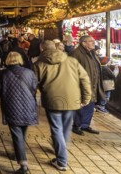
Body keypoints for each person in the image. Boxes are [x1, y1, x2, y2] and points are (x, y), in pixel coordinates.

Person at [35, 40, 91, 171]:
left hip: (52, 99)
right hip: (72, 98)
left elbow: (34, 82)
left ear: (41, 49)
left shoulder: (39, 63)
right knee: (65, 127)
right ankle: (60, 149)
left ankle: (61, 160)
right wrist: (86, 97)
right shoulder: (71, 61)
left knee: (56, 128)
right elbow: (85, 79)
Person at [0, 52, 38, 174]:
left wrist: (3, 94)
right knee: (22, 132)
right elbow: (34, 88)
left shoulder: (3, 74)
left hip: (11, 105)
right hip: (28, 106)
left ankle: (23, 165)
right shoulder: (29, 72)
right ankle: (17, 154)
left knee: (17, 135)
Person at [69, 35, 104, 136]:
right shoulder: (75, 53)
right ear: (83, 43)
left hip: (92, 85)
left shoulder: (92, 53)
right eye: (91, 41)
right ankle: (77, 126)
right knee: (80, 107)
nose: (94, 43)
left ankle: (85, 125)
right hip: (81, 85)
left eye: (94, 41)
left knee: (90, 106)